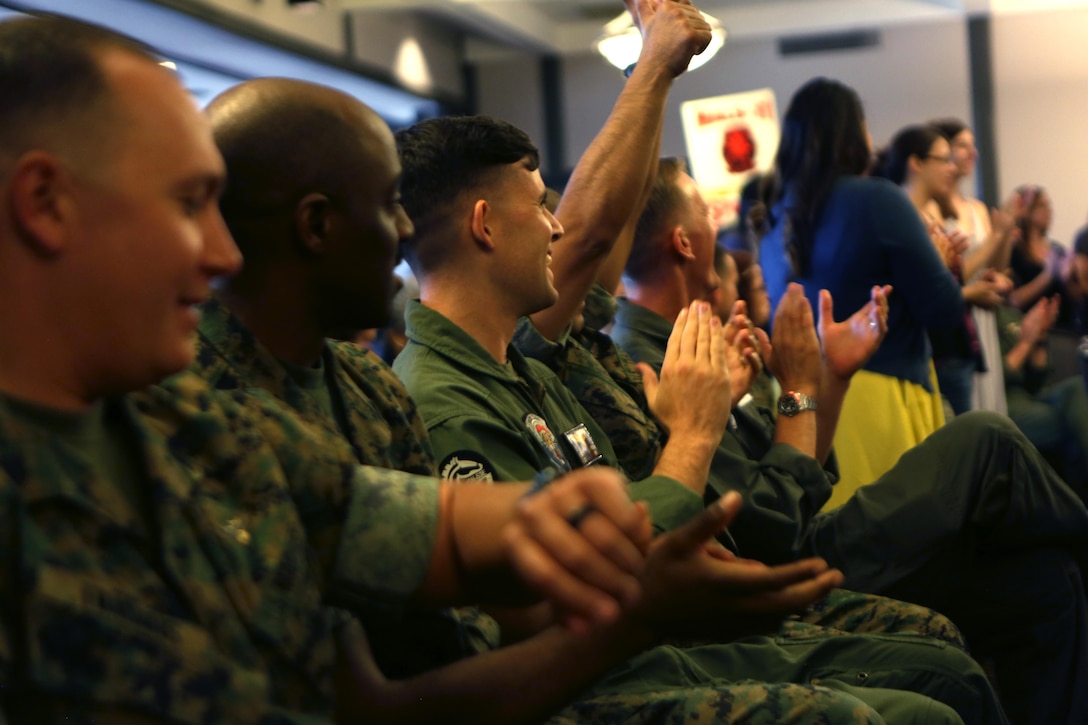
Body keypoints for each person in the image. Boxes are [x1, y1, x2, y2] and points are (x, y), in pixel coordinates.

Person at [0, 13, 837, 724]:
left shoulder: (182, 421)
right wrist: (637, 584)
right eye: (187, 205)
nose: (220, 253)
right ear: (45, 204)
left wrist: (568, 523)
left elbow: (400, 532)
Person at [610, 151, 1088, 724]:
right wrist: (797, 390)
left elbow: (802, 474)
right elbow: (775, 527)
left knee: (1046, 587)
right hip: (789, 568)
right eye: (708, 219)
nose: (721, 226)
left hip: (807, 536)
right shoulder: (654, 362)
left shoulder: (700, 335)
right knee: (986, 439)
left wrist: (828, 379)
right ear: (685, 242)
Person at [758, 78, 964, 508]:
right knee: (902, 548)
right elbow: (944, 309)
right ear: (855, 133)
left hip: (799, 413)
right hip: (878, 395)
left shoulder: (776, 218)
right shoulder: (877, 199)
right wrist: (942, 265)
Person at [873, 124, 1005, 416]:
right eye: (943, 159)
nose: (952, 167)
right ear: (917, 163)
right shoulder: (903, 220)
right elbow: (918, 293)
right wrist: (966, 286)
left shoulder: (920, 217)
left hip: (950, 348)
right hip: (933, 352)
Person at [930, 118, 1019, 415]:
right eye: (962, 146)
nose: (973, 153)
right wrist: (995, 237)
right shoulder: (933, 209)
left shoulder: (976, 207)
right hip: (959, 317)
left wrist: (1004, 237)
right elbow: (954, 274)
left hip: (984, 316)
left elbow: (995, 267)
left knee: (991, 406)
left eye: (973, 146)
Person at [996, 294, 1088, 500]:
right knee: (1075, 423)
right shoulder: (977, 317)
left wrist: (1040, 337)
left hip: (1029, 396)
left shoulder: (1010, 313)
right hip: (1000, 402)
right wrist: (1026, 342)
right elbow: (989, 382)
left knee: (1076, 387)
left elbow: (1037, 381)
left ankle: (1077, 512)